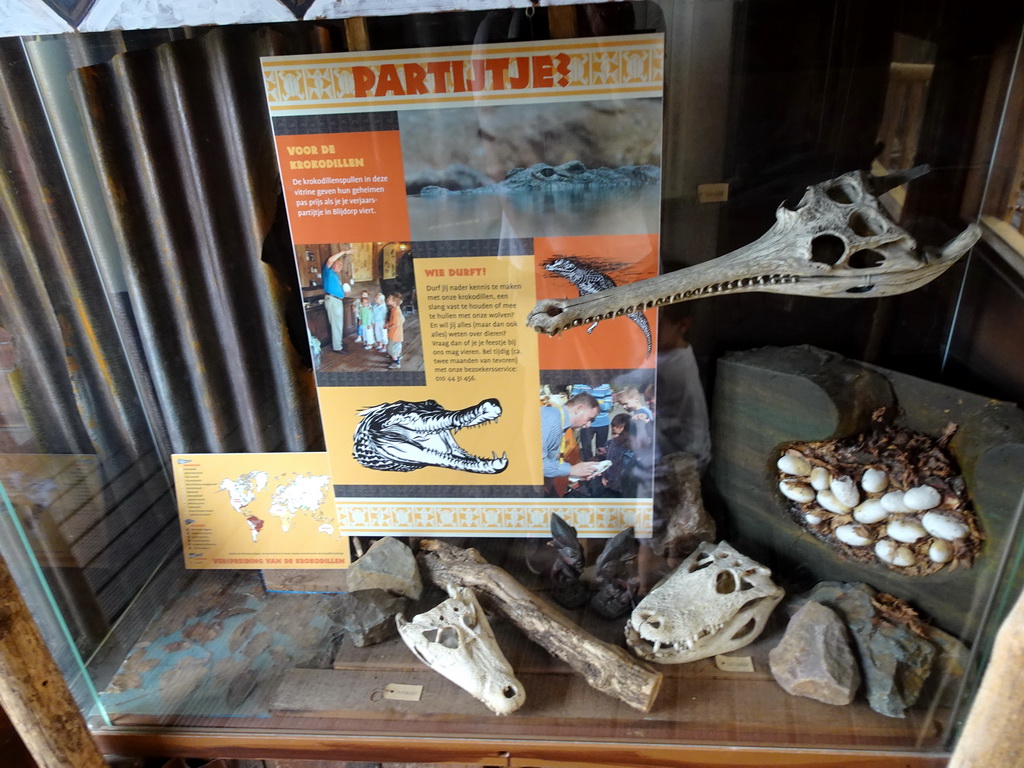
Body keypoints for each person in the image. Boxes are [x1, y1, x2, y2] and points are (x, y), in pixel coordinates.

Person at [656, 303, 711, 475]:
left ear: (683, 325)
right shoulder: (669, 354)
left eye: (658, 324)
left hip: (685, 460)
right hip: (681, 451)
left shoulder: (675, 367)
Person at [540, 392, 602, 493]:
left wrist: (578, 472)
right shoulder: (550, 419)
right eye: (589, 419)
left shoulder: (559, 421)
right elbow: (537, 464)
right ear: (578, 409)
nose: (588, 425)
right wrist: (571, 470)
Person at [322, 250, 351, 354]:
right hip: (333, 301)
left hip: (337, 301)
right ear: (332, 264)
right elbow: (330, 259)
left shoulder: (334, 276)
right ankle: (337, 347)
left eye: (341, 265)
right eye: (338, 264)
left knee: (338, 324)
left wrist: (344, 294)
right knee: (336, 325)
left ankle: (338, 344)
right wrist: (344, 252)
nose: (340, 266)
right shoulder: (327, 271)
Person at [601, 413, 633, 497]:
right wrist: (604, 475)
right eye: (614, 433)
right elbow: (607, 461)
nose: (617, 437)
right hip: (608, 483)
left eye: (621, 434)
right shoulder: (609, 444)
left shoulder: (629, 449)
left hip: (621, 488)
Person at [385, 292, 405, 369]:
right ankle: (398, 356)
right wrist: (389, 324)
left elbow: (396, 324)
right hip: (397, 334)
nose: (387, 299)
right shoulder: (396, 309)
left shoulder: (396, 311)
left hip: (394, 334)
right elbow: (402, 319)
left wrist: (389, 327)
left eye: (389, 299)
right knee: (396, 346)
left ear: (394, 302)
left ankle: (396, 362)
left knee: (390, 349)